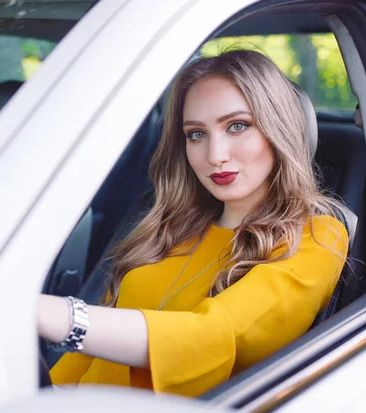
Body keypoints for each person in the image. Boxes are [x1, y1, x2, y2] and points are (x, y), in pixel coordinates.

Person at [37, 49, 349, 397]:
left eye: (237, 126)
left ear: (279, 130)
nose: (215, 155)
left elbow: (213, 335)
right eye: (196, 134)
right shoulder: (167, 226)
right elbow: (90, 354)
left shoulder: (316, 236)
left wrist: (56, 315)